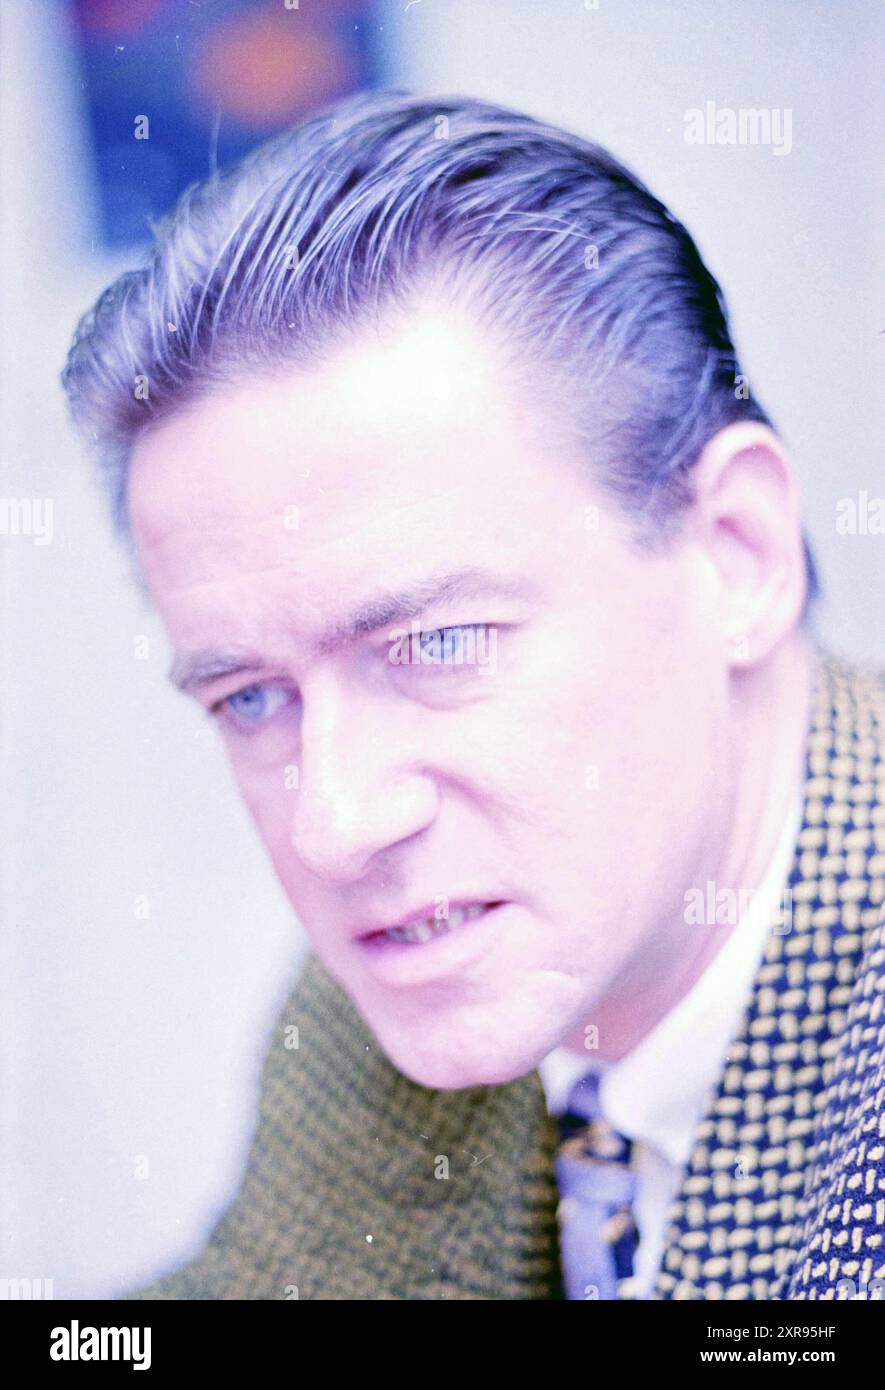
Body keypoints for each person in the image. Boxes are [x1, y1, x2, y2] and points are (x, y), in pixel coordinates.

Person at [62, 91, 884, 1301]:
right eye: (250, 699)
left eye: (438, 642)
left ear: (736, 555)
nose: (333, 826)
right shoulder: (374, 1020)